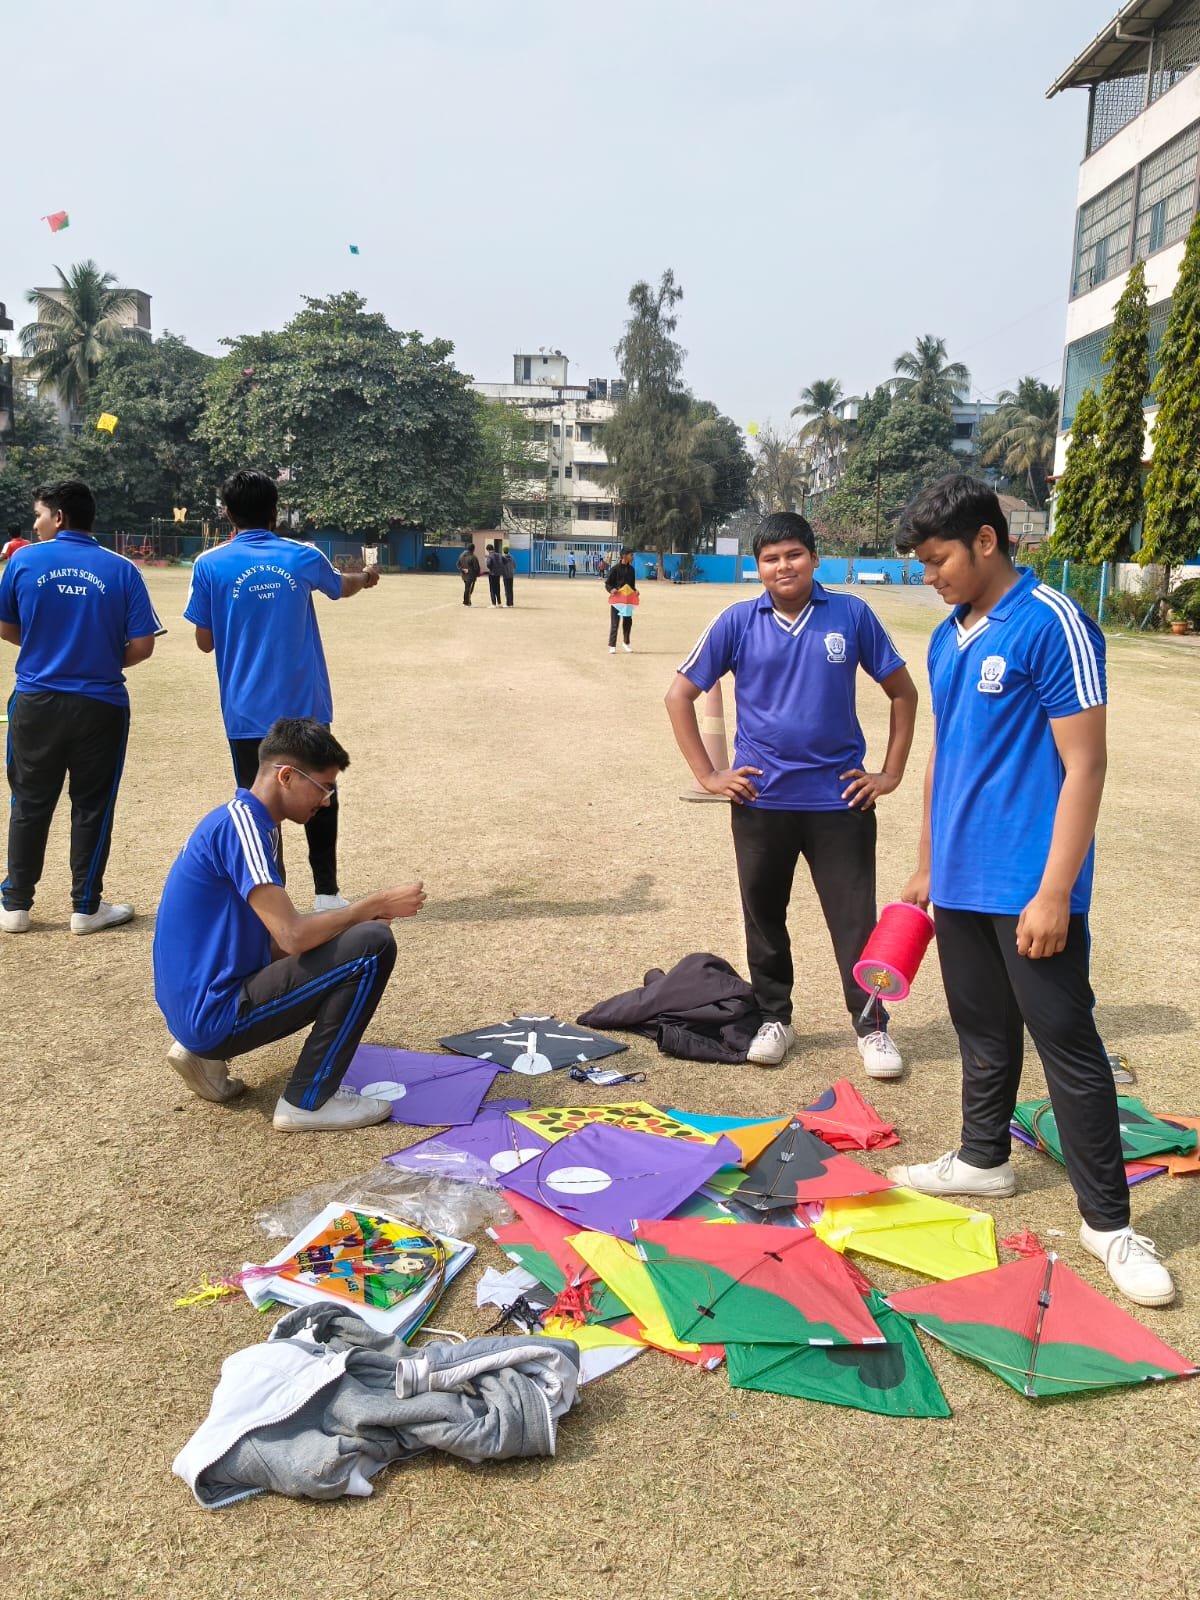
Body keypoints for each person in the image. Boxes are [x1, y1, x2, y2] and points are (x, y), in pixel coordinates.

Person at [892, 474, 1173, 1308]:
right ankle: (984, 1159)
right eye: (920, 563)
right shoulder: (948, 636)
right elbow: (946, 753)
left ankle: (1109, 1224)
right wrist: (927, 862)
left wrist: (1055, 892)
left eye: (938, 559)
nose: (929, 576)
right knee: (981, 1030)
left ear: (987, 541)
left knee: (1067, 1047)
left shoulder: (1054, 622)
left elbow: (1086, 765)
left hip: (1027, 884)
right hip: (960, 879)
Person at [665, 511, 918, 1076]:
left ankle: (873, 1027)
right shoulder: (737, 621)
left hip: (840, 802)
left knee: (855, 923)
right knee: (764, 916)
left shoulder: (851, 614)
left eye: (794, 554)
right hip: (762, 802)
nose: (784, 566)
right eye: (771, 558)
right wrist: (709, 775)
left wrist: (889, 773)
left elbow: (903, 692)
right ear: (757, 567)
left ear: (814, 558)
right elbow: (679, 695)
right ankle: (774, 1017)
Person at [154, 718, 427, 1131]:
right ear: (286, 776)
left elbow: (274, 942)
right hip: (211, 1013)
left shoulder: (239, 821)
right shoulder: (244, 829)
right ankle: (308, 1102)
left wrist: (349, 927)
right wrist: (371, 906)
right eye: (323, 787)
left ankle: (202, 1055)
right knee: (373, 945)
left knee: (360, 936)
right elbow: (292, 936)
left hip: (196, 1006)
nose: (327, 801)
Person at [185, 469, 380, 912]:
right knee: (321, 792)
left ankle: (271, 900)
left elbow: (204, 640)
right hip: (304, 704)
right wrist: (366, 577)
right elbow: (341, 586)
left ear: (227, 514)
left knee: (257, 806)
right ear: (275, 512)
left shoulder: (209, 564)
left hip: (245, 709)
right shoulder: (301, 555)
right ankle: (327, 893)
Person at [0, 479, 162, 935]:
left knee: (29, 801)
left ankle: (15, 905)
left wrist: (47, 651)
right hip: (101, 704)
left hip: (36, 700)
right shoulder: (122, 569)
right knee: (92, 805)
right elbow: (143, 645)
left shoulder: (23, 560)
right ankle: (86, 907)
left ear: (59, 517)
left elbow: (5, 625)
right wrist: (97, 659)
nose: (35, 523)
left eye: (39, 514)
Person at [605, 547, 639, 653]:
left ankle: (626, 643)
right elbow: (607, 583)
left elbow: (632, 586)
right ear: (624, 556)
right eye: (631, 555)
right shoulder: (615, 569)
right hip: (617, 600)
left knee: (628, 622)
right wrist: (611, 590)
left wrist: (636, 591)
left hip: (628, 600)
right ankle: (612, 646)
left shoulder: (632, 570)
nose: (632, 557)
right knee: (615, 623)